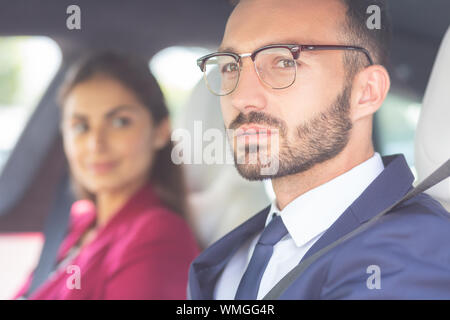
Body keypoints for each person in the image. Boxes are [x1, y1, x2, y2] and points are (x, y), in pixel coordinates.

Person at [188, 0, 450, 299]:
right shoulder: (234, 257)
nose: (242, 97)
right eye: (231, 66)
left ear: (366, 92)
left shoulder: (413, 255)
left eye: (285, 61)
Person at [14, 52, 200, 299]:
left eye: (120, 122)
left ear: (160, 131)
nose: (95, 145)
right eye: (81, 126)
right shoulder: (83, 223)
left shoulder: (157, 235)